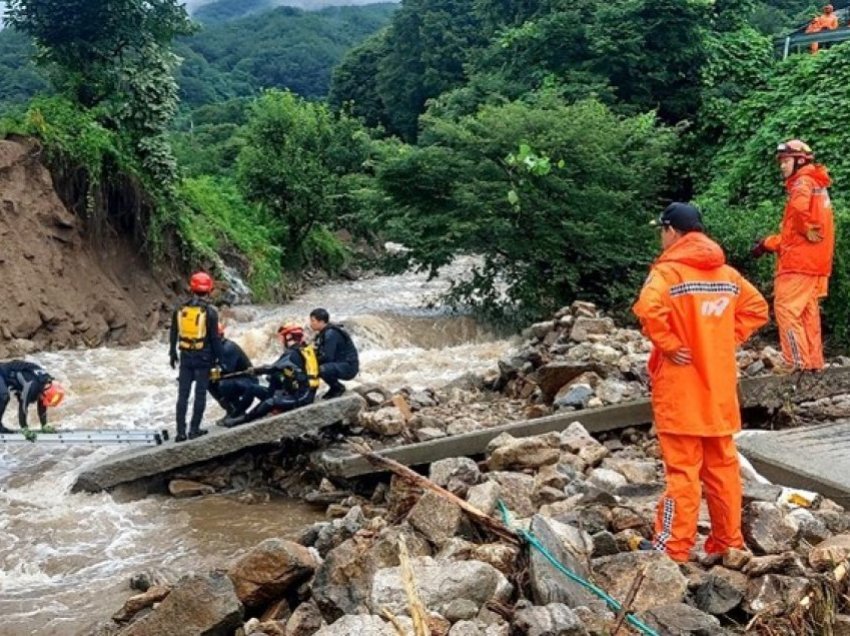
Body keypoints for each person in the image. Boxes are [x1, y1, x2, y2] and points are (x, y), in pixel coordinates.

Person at [633, 202, 769, 563]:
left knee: (683, 472)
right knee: (723, 469)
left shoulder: (667, 274)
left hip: (681, 390)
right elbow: (758, 309)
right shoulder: (726, 273)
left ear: (672, 232)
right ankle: (728, 542)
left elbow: (647, 309)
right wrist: (725, 338)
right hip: (719, 392)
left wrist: (671, 344)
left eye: (661, 231)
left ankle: (673, 547)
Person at [751, 140, 834, 371]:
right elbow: (795, 236)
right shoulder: (817, 184)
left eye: (786, 161)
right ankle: (813, 364)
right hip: (814, 264)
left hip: (797, 264)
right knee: (808, 313)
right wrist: (768, 243)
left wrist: (802, 226)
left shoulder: (802, 183)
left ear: (799, 161)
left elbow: (798, 215)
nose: (782, 166)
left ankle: (796, 362)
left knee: (787, 309)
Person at [222, 323, 319, 427]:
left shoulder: (292, 354)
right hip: (290, 391)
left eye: (282, 338)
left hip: (301, 396)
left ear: (288, 337)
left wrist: (255, 370)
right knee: (253, 388)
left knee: (270, 402)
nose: (281, 341)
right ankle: (236, 414)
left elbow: (271, 368)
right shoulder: (301, 349)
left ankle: (244, 420)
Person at [169, 271, 223, 442]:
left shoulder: (180, 308)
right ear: (209, 290)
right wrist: (221, 360)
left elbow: (174, 333)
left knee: (183, 395)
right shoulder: (210, 311)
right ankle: (194, 430)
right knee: (200, 394)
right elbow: (215, 339)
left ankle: (180, 433)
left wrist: (172, 352)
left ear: (191, 288)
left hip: (185, 356)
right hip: (203, 358)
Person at [208, 324, 264, 423]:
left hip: (247, 380)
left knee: (223, 384)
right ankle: (230, 410)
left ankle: (237, 410)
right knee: (208, 383)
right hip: (234, 379)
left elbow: (225, 370)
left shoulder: (227, 347)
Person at [0, 360, 65, 434]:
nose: (41, 399)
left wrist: (44, 425)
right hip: (2, 371)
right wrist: (24, 428)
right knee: (3, 395)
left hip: (12, 375)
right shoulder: (32, 385)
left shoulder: (46, 383)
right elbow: (23, 406)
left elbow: (42, 404)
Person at [309, 308, 359, 399]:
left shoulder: (331, 334)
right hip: (339, 363)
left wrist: (311, 362)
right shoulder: (323, 334)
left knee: (321, 369)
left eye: (313, 321)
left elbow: (328, 357)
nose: (311, 324)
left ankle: (338, 388)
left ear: (321, 321)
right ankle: (333, 387)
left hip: (348, 366)